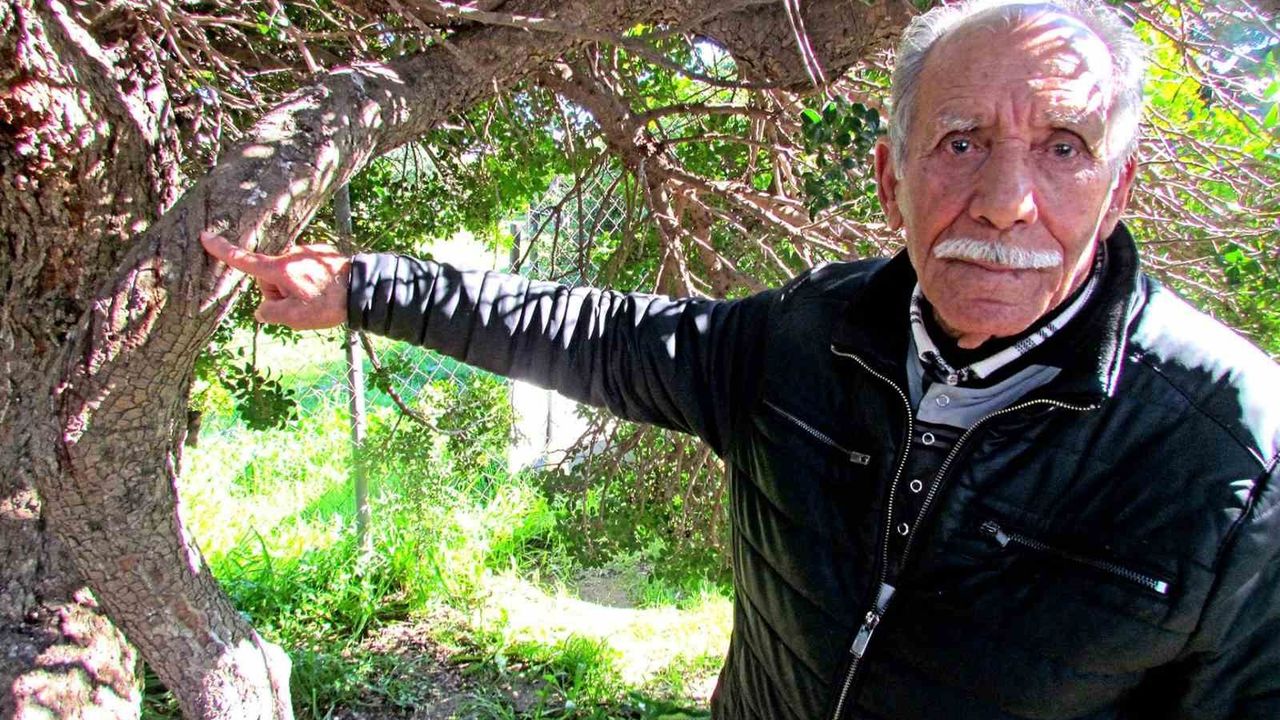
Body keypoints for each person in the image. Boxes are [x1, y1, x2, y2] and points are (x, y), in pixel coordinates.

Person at [201, 0, 1280, 717]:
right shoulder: (812, 338)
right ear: (889, 178)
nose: (1005, 201)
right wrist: (362, 287)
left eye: (1063, 149)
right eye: (960, 143)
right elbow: (594, 335)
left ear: (1117, 190)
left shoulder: (1235, 463)